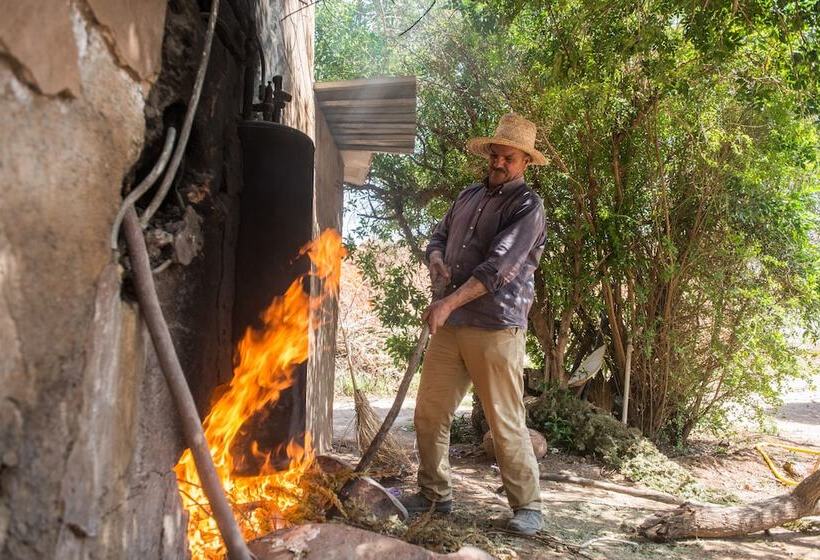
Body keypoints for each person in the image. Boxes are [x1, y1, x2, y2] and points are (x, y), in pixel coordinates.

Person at [400, 113, 548, 535]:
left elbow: (499, 267)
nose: (500, 162)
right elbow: (438, 237)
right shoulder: (467, 196)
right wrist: (435, 261)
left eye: (510, 157)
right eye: (496, 154)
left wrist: (447, 304)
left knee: (504, 421)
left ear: (524, 163)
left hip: (496, 327)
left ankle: (528, 506)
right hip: (452, 323)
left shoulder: (527, 206)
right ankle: (434, 494)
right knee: (429, 412)